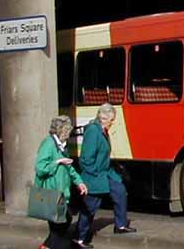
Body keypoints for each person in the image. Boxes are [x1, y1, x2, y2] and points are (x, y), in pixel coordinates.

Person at [74, 103, 136, 248]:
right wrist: (94, 172)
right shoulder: (93, 131)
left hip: (106, 172)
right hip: (94, 174)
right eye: (111, 120)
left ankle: (120, 226)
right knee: (90, 206)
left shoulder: (102, 130)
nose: (112, 123)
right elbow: (85, 158)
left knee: (119, 191)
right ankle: (79, 238)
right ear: (103, 118)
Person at [34, 115, 88, 249]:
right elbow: (40, 168)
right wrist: (58, 161)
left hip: (62, 193)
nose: (69, 134)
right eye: (68, 131)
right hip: (51, 193)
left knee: (61, 224)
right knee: (61, 224)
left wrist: (79, 182)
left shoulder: (62, 145)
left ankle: (46, 246)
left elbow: (69, 167)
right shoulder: (48, 144)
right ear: (62, 130)